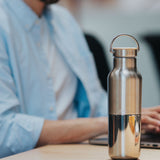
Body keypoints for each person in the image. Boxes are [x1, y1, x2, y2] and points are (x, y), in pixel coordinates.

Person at [0, 0, 159, 158]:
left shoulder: (64, 20)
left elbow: (95, 102)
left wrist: (138, 117)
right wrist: (110, 122)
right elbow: (5, 131)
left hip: (79, 150)